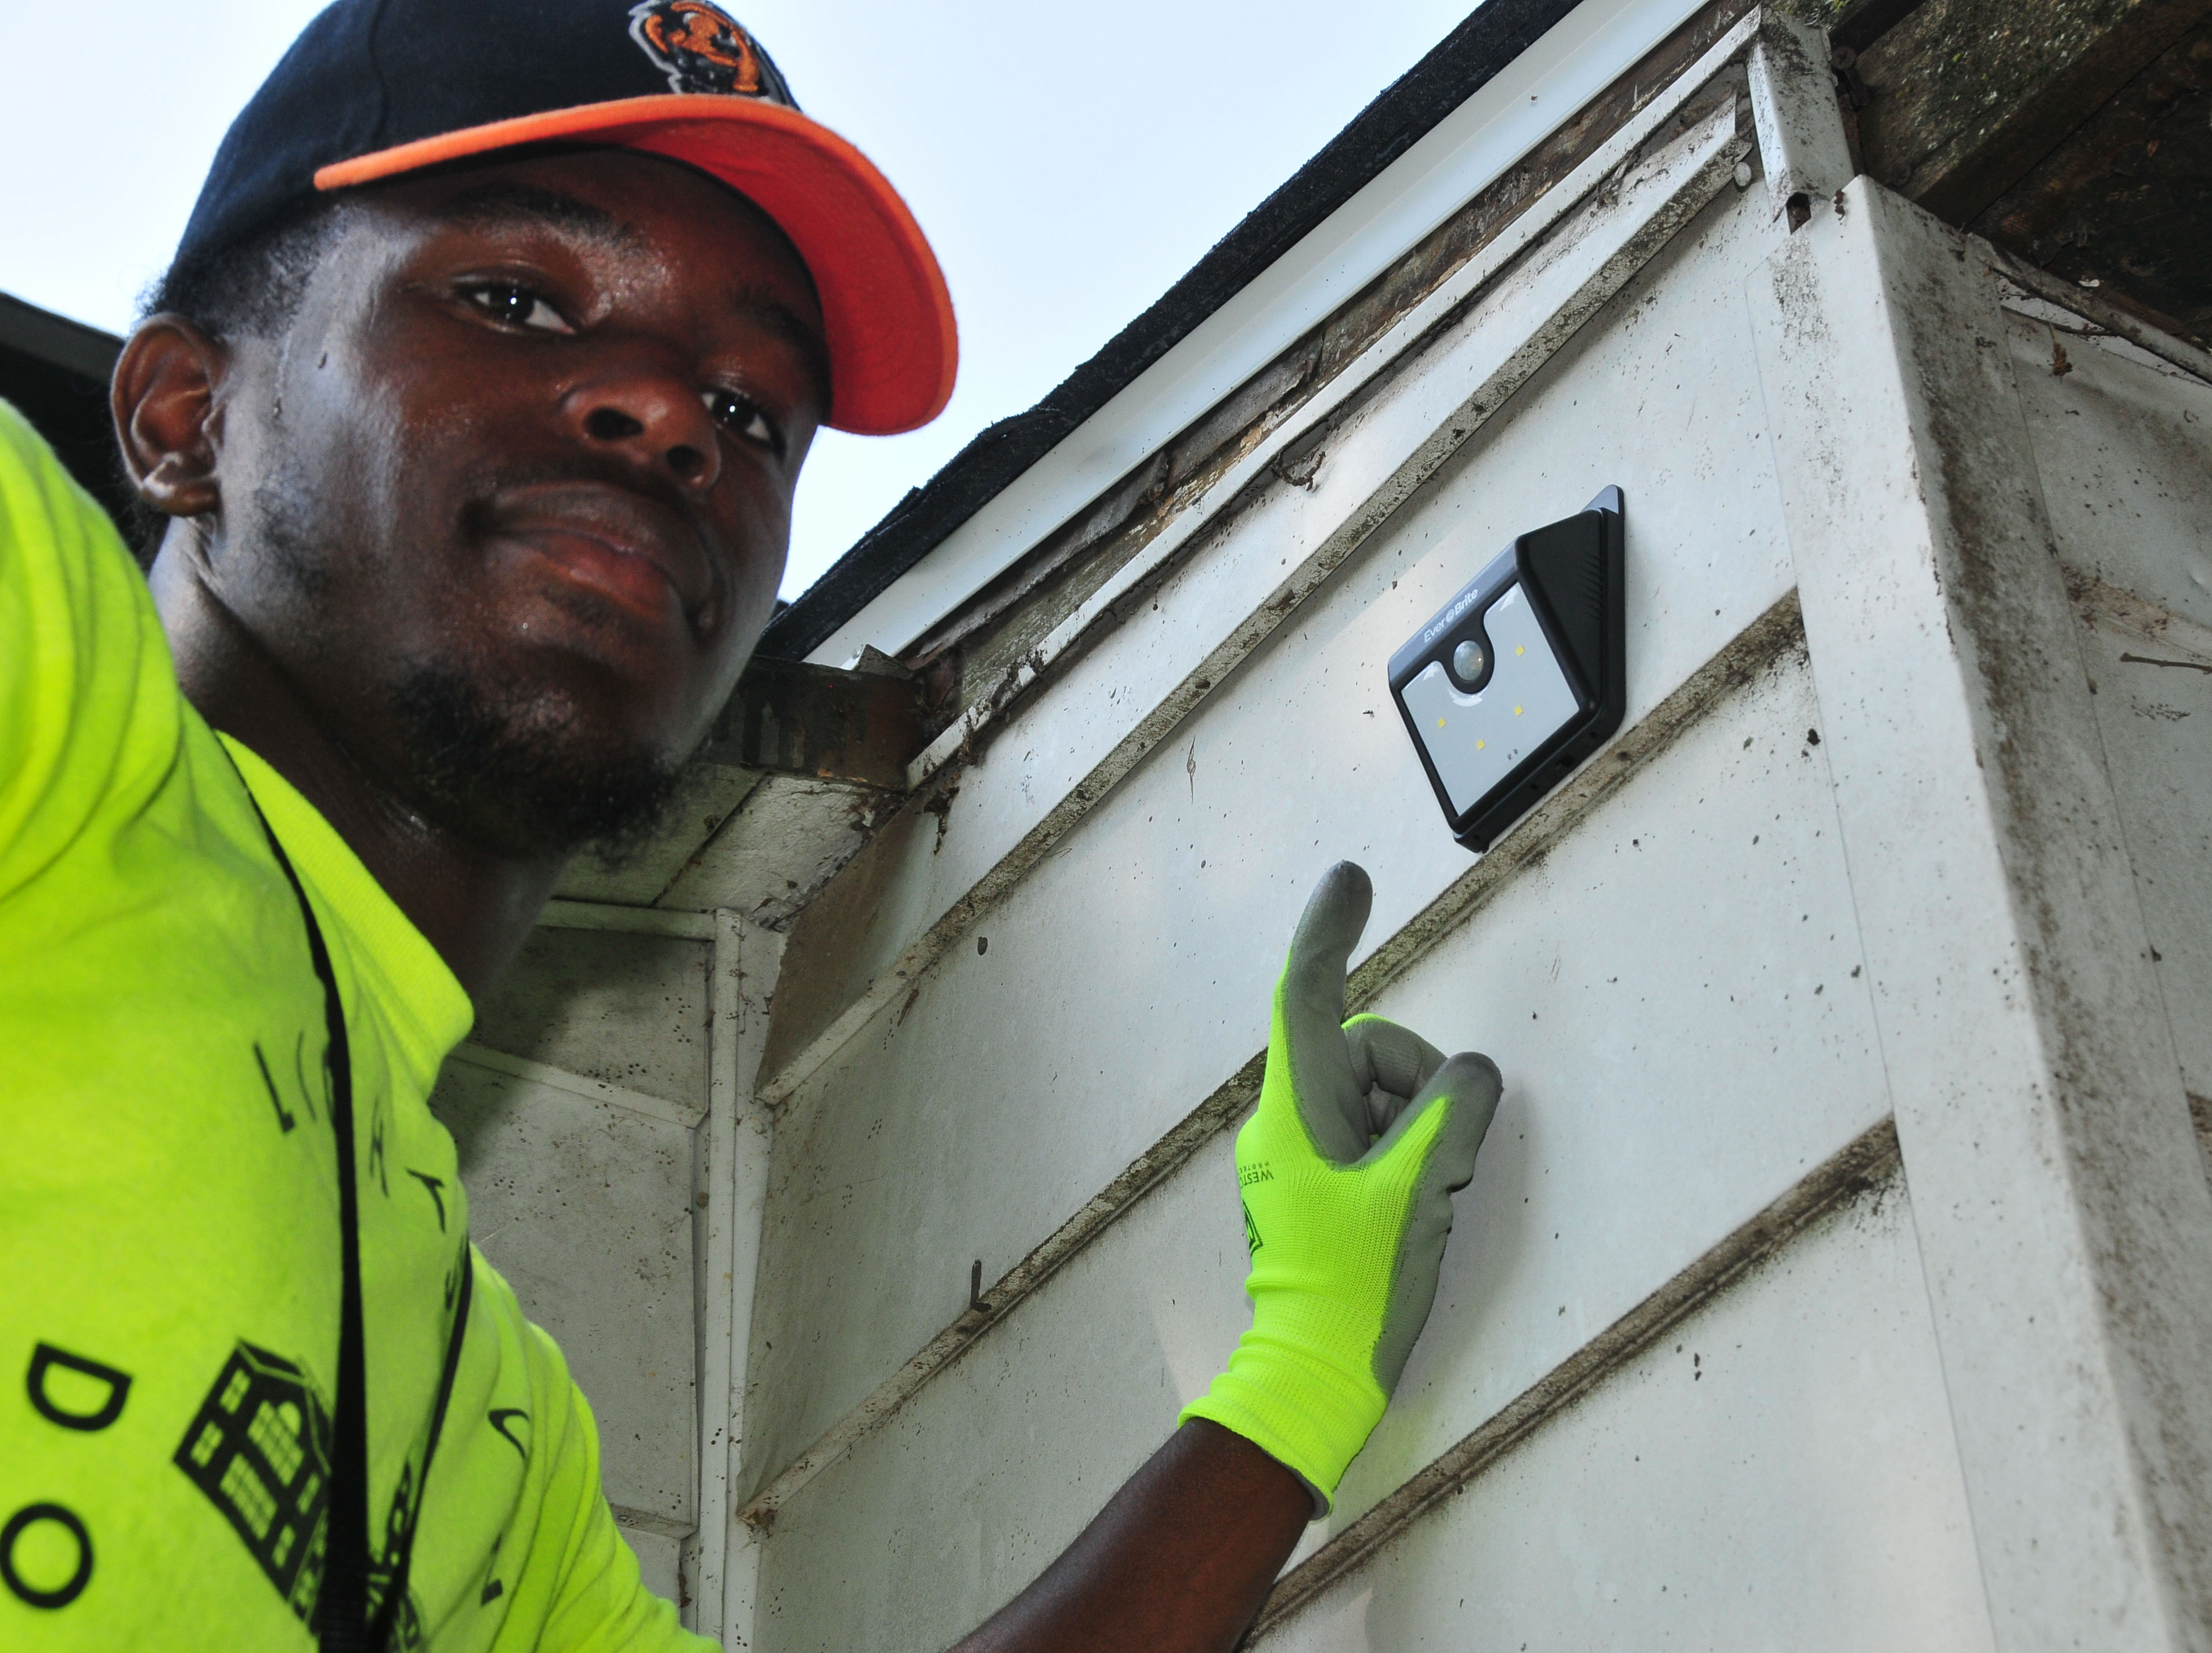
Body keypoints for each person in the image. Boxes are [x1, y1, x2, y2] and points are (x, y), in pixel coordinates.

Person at [0, 2, 1502, 1648]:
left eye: (757, 410)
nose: (671, 418)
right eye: (514, 299)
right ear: (179, 420)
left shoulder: (469, 1424)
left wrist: (1297, 1369)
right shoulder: (53, 689)